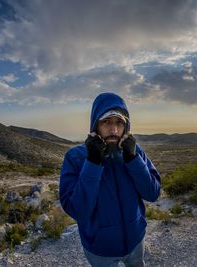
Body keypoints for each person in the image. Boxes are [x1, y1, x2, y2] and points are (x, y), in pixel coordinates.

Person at [59, 92, 161, 267]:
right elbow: (79, 211)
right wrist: (92, 162)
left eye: (119, 123)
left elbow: (152, 193)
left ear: (126, 126)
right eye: (106, 122)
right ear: (95, 125)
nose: (114, 130)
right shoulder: (75, 157)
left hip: (136, 240)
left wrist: (133, 159)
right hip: (100, 249)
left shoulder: (135, 152)